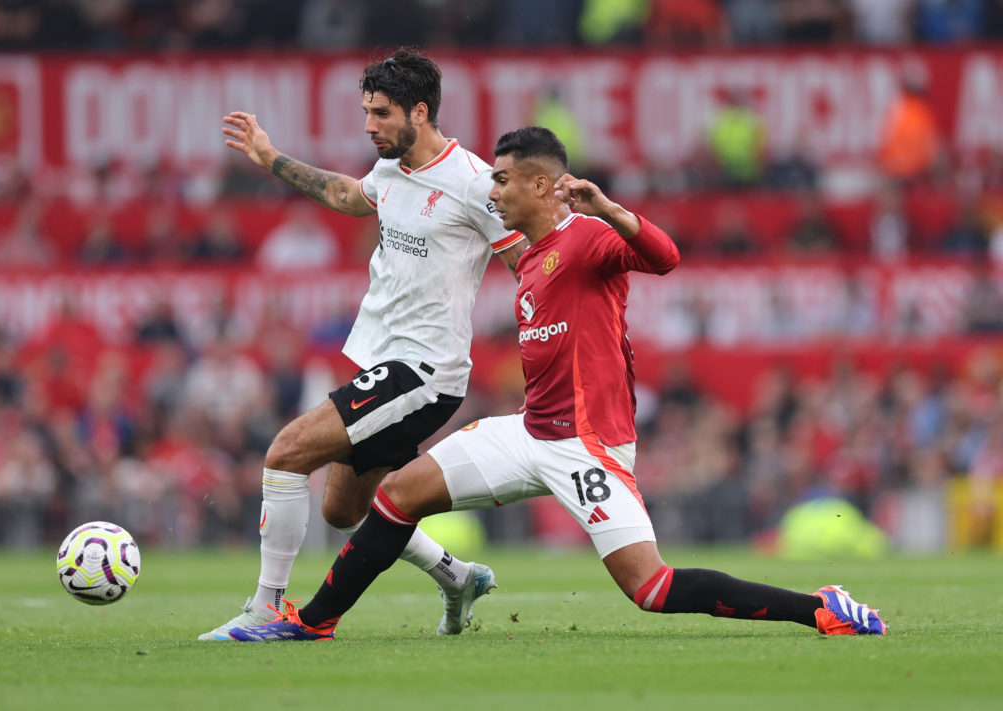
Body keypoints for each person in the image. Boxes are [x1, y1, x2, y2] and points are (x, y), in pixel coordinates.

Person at [226, 127, 886, 642]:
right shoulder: (530, 259)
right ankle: (311, 619)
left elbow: (665, 256)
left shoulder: (587, 240)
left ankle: (819, 607)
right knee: (397, 495)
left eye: (504, 179)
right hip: (527, 432)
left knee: (650, 587)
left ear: (543, 186)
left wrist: (612, 208)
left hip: (586, 446)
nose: (492, 190)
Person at [197, 47, 528, 641]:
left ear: (420, 112)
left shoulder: (475, 184)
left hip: (424, 370)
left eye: (380, 113)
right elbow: (352, 197)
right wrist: (272, 159)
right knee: (345, 510)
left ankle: (267, 605)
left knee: (286, 452)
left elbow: (527, 262)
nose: (369, 125)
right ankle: (457, 576)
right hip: (384, 360)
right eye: (367, 112)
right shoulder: (390, 170)